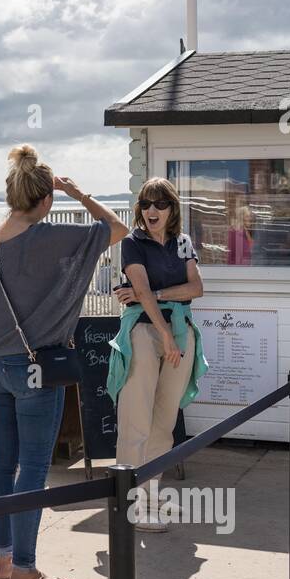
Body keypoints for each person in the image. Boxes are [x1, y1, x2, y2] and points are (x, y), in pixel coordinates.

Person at [0, 144, 128, 579]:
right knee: (34, 469)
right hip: (37, 368)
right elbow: (117, 228)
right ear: (46, 199)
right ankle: (25, 570)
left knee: (3, 459)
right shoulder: (55, 237)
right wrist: (78, 193)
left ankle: (4, 560)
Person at [109, 177, 209, 532]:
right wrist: (163, 331)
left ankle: (151, 496)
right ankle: (128, 503)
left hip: (180, 332)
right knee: (136, 419)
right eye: (146, 204)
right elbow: (139, 289)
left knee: (164, 421)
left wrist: (155, 294)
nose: (152, 210)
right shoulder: (132, 243)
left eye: (160, 204)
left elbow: (196, 288)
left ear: (172, 209)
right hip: (145, 333)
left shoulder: (182, 243)